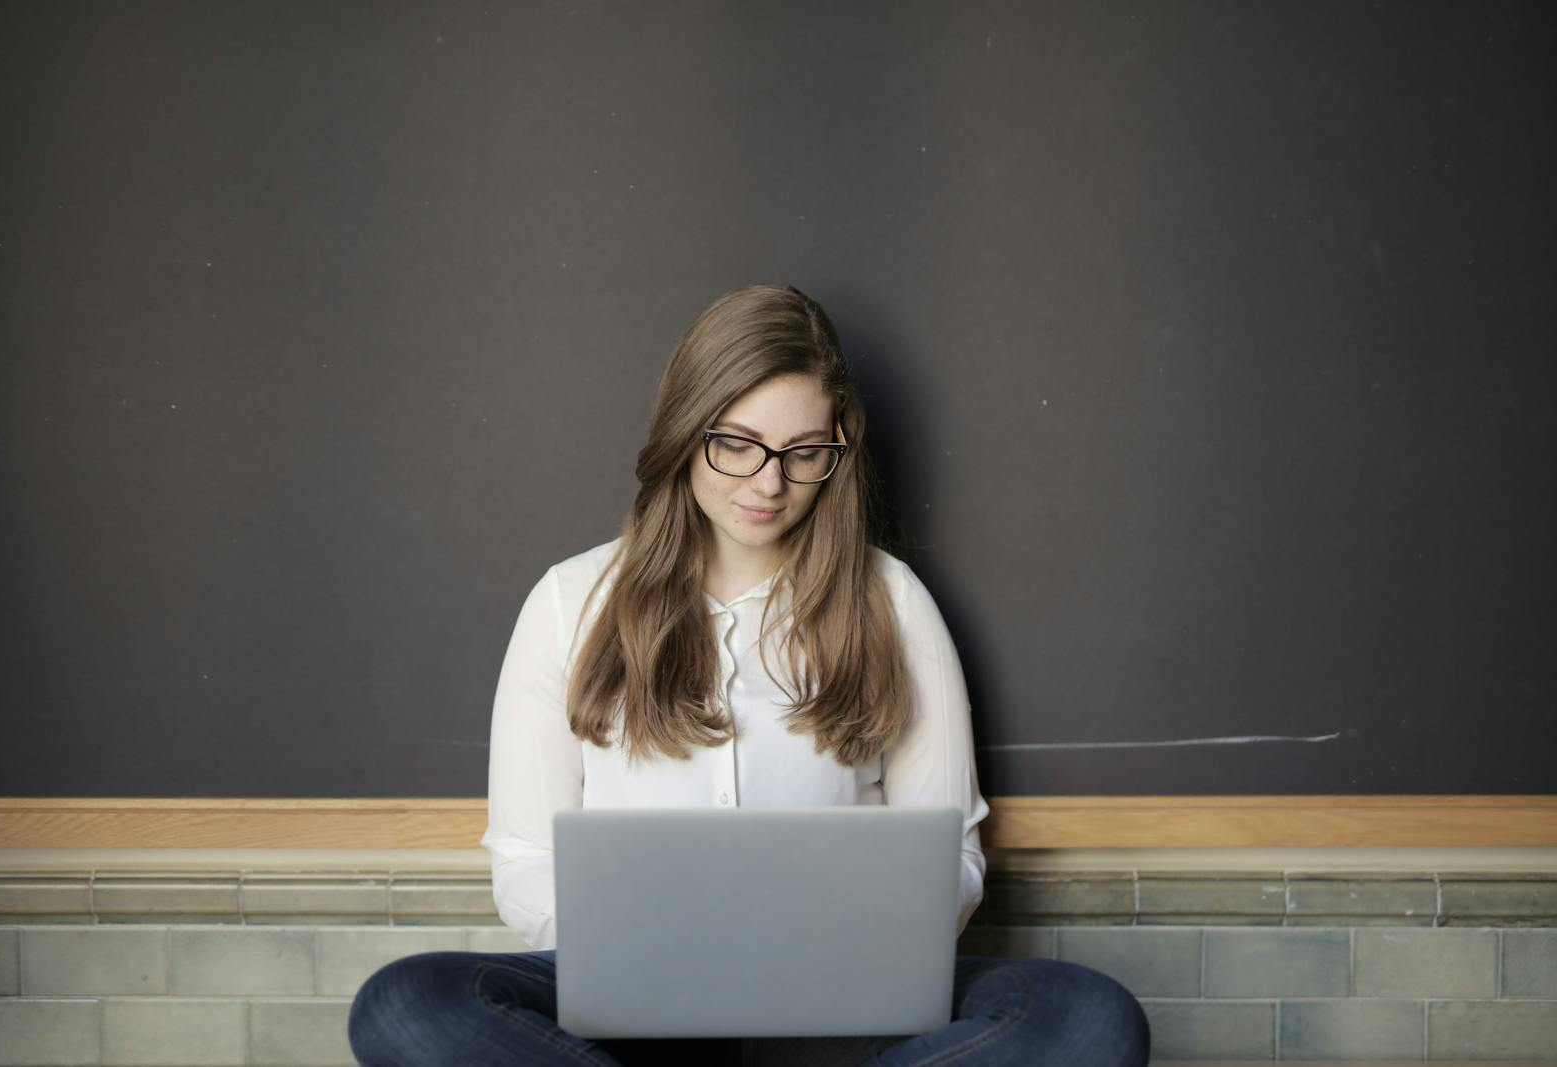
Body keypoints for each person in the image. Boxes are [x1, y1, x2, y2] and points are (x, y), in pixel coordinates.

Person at [347, 284, 1150, 1066]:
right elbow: (525, 855)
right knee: (404, 1002)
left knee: (1085, 1016)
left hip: (840, 1005)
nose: (770, 483)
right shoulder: (568, 602)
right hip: (630, 1013)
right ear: (685, 430)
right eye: (736, 443)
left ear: (837, 447)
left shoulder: (893, 602)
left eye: (805, 452)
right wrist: (635, 969)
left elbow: (955, 857)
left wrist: (862, 956)